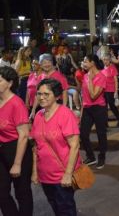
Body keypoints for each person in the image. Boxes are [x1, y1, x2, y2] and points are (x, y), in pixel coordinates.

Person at [30, 79, 80, 216]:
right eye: (39, 94)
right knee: (55, 207)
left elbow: (75, 145)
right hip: (45, 175)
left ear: (57, 96)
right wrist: (35, 172)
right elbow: (36, 146)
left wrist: (68, 174)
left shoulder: (65, 114)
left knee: (65, 209)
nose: (41, 97)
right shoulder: (39, 116)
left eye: (46, 94)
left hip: (61, 175)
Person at [0, 66, 33, 216]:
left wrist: (17, 164)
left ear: (10, 83)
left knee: (22, 193)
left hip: (17, 150)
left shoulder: (16, 103)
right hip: (2, 150)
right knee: (1, 193)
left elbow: (24, 136)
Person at [80, 54, 108, 169]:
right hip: (87, 108)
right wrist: (82, 112)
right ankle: (91, 157)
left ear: (93, 63)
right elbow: (84, 96)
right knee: (83, 133)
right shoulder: (85, 76)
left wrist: (91, 80)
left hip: (99, 108)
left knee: (101, 134)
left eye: (86, 61)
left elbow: (93, 95)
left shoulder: (101, 76)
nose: (83, 63)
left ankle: (102, 157)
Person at [30, 54, 69, 118]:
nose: (47, 64)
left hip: (57, 105)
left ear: (52, 63)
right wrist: (33, 110)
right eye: (44, 62)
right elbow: (38, 94)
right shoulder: (41, 77)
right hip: (44, 106)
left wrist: (64, 108)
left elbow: (64, 92)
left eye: (49, 62)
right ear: (41, 65)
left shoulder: (59, 76)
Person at [101, 53, 119, 127]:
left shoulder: (112, 68)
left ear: (110, 60)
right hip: (103, 90)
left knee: (112, 106)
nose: (105, 61)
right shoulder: (103, 68)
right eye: (104, 60)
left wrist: (116, 91)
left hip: (110, 90)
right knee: (104, 106)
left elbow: (116, 81)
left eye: (107, 60)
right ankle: (105, 122)